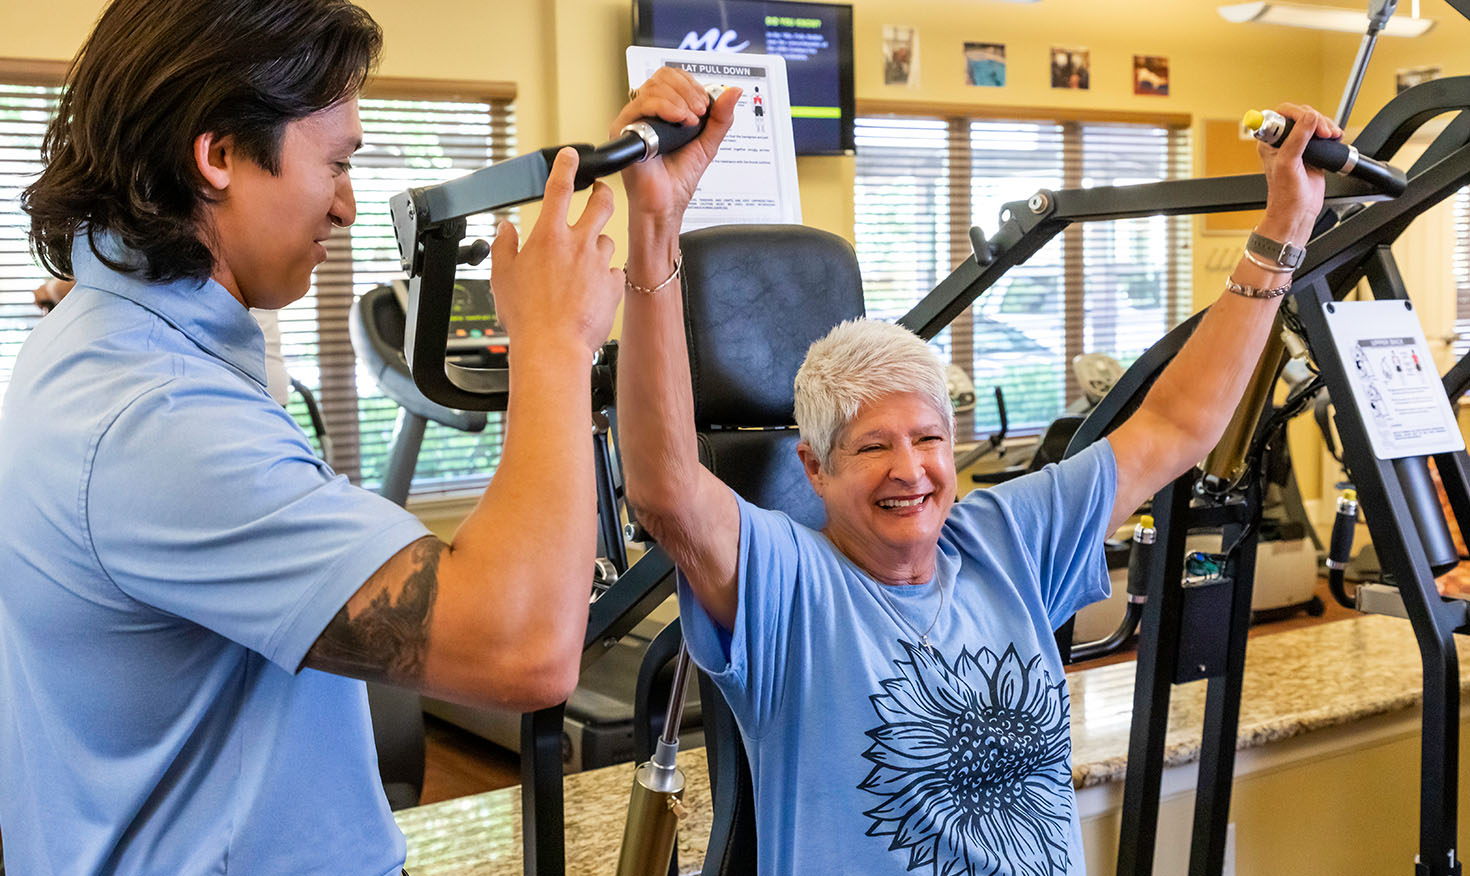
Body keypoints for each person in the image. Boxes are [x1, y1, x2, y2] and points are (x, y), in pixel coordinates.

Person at [615, 66, 1336, 874]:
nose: (910, 471)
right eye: (872, 446)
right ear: (813, 469)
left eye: (927, 439)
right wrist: (656, 222)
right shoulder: (789, 585)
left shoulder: (1006, 538)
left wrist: (1284, 227)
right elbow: (664, 486)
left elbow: (1177, 426)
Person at [0, 0, 622, 873]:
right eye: (333, 164)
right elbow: (524, 648)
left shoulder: (112, 333)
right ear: (216, 156)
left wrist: (659, 223)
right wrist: (555, 344)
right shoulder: (155, 419)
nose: (347, 204)